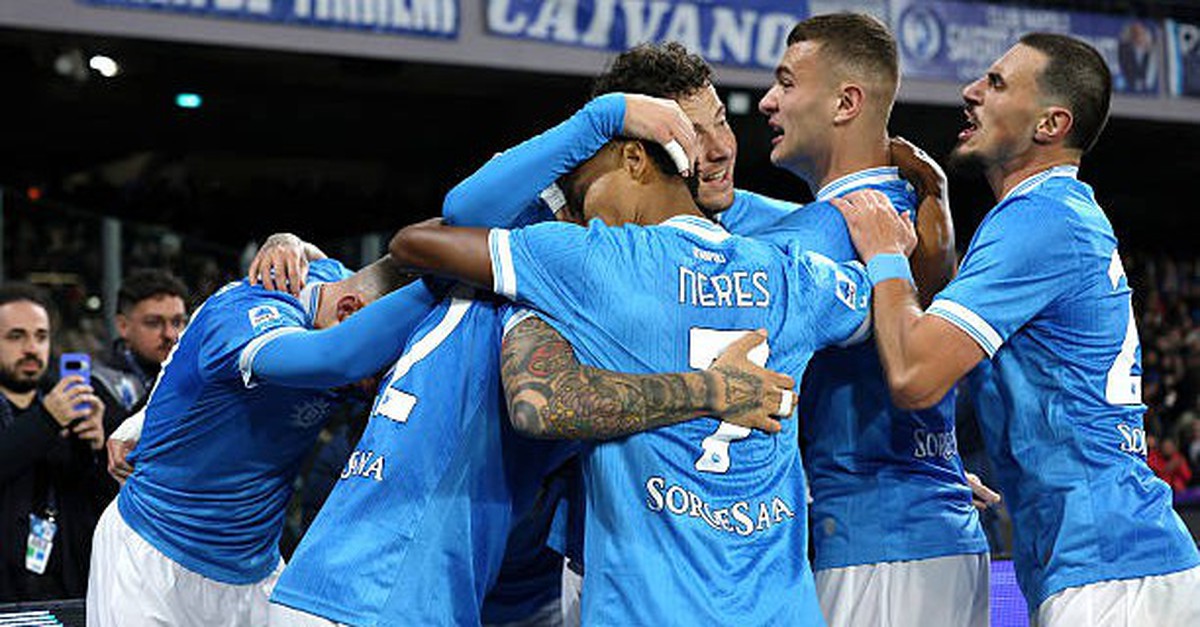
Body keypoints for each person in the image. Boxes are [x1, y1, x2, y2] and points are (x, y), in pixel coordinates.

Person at [266, 133, 794, 626]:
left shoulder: (449, 288)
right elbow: (539, 407)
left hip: (337, 582)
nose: (616, 233)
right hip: (384, 595)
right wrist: (710, 391)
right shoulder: (535, 295)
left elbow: (410, 251)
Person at [386, 132, 881, 624]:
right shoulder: (788, 273)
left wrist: (592, 128)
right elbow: (893, 315)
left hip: (647, 609)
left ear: (633, 159)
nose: (587, 217)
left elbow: (415, 244)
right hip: (781, 610)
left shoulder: (595, 259)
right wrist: (892, 256)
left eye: (585, 194)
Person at [833, 33, 1200, 626]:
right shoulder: (1052, 213)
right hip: (1119, 560)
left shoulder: (1039, 218)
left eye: (997, 83)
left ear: (1051, 123)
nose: (970, 91)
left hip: (1111, 573)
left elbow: (915, 373)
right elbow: (946, 342)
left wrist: (885, 256)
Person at [756, 14, 989, 626]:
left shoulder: (828, 232)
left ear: (846, 103)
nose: (768, 100)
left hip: (877, 554)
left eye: (786, 82)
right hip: (940, 535)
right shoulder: (916, 208)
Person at [87, 238, 443, 627]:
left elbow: (329, 265)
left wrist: (290, 241)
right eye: (375, 371)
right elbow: (333, 358)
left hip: (255, 570)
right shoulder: (246, 313)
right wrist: (462, 275)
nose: (372, 387)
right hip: (153, 558)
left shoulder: (340, 289)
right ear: (347, 313)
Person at [0, 283, 109, 602]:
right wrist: (47, 420)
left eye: (41, 336)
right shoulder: (53, 412)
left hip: (62, 592)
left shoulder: (68, 407)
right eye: (16, 336)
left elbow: (98, 506)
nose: (32, 348)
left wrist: (94, 449)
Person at [94, 269, 188, 482]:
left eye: (178, 322)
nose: (170, 334)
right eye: (154, 323)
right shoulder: (99, 385)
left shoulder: (197, 377)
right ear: (123, 326)